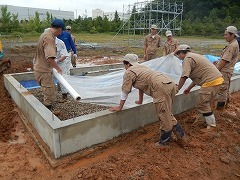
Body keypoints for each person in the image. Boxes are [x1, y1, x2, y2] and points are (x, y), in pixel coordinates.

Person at [109, 54, 185, 146]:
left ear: (127, 64)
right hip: (170, 84)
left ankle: (165, 142)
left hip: (160, 87)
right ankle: (181, 135)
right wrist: (140, 101)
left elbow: (125, 91)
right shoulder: (142, 67)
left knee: (163, 115)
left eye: (124, 64)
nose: (125, 67)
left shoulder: (129, 72)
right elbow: (141, 86)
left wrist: (119, 107)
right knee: (167, 112)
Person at [176, 44, 224, 130]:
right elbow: (198, 76)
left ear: (181, 53)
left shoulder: (187, 59)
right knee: (207, 102)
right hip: (217, 80)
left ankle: (212, 125)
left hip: (210, 81)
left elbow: (184, 76)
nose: (178, 56)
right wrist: (188, 88)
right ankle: (202, 121)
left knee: (201, 103)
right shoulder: (195, 56)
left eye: (177, 54)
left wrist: (177, 89)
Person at [33, 19, 64, 111]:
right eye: (61, 30)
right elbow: (50, 58)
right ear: (59, 29)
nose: (60, 33)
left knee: (48, 90)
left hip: (39, 67)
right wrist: (58, 69)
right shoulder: (49, 38)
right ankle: (48, 114)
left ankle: (48, 107)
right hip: (44, 70)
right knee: (49, 93)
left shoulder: (44, 35)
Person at [215, 26, 239, 109]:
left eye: (226, 35)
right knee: (225, 88)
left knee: (222, 89)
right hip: (227, 70)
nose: (224, 36)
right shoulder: (233, 44)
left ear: (232, 35)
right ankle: (225, 106)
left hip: (225, 71)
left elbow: (224, 60)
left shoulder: (232, 46)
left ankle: (220, 109)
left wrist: (216, 69)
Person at [55, 37, 70, 102]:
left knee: (62, 79)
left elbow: (64, 55)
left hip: (60, 63)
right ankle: (50, 96)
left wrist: (57, 61)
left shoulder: (60, 43)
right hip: (49, 63)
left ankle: (64, 96)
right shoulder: (45, 42)